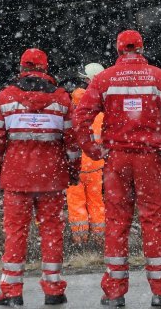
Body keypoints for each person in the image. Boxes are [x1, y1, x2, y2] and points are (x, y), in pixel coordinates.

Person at [74, 30, 161, 307]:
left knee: (116, 222)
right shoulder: (159, 77)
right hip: (149, 159)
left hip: (117, 160)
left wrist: (94, 150)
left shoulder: (104, 79)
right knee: (152, 221)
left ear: (118, 50)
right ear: (141, 48)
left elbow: (81, 118)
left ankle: (114, 293)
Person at [0, 48, 81, 307]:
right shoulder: (61, 99)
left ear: (22, 67)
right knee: (52, 232)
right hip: (51, 178)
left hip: (16, 179)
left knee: (16, 233)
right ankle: (53, 289)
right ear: (45, 68)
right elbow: (72, 143)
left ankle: (12, 291)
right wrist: (73, 173)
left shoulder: (6, 97)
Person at [67, 63, 106, 246]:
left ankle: (80, 240)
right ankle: (99, 238)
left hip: (75, 166)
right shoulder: (102, 113)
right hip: (96, 166)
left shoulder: (71, 113)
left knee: (76, 204)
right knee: (97, 202)